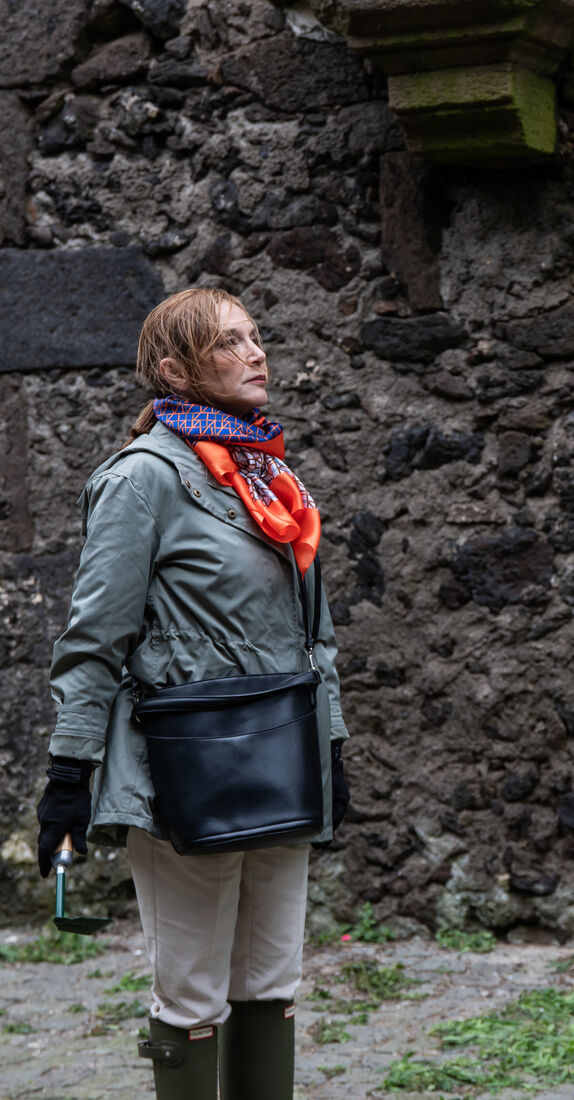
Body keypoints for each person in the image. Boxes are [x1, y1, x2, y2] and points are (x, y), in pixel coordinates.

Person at [34, 288, 351, 1100]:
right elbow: (93, 639)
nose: (257, 354)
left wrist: (334, 741)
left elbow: (312, 635)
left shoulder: (270, 475)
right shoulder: (143, 480)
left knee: (272, 984)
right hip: (188, 767)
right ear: (176, 371)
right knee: (192, 993)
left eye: (256, 336)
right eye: (230, 343)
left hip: (284, 757)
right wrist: (70, 772)